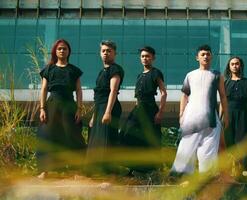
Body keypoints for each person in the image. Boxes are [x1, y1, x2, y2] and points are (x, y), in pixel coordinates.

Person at [171, 44, 228, 174]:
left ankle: (206, 177)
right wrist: (181, 114)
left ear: (211, 56)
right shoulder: (190, 75)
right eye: (203, 54)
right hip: (191, 117)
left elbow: (223, 97)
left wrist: (226, 116)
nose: (206, 56)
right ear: (197, 57)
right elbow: (184, 96)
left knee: (208, 150)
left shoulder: (217, 75)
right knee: (186, 147)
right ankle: (182, 176)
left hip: (211, 119)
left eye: (208, 54)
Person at [38, 39, 86, 178]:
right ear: (55, 51)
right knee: (47, 136)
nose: (62, 51)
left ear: (68, 51)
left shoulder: (74, 70)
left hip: (69, 106)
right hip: (52, 105)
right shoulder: (49, 69)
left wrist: (79, 109)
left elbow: (79, 91)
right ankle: (45, 170)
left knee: (73, 136)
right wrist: (42, 108)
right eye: (59, 48)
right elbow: (44, 89)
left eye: (65, 48)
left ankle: (76, 170)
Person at [120, 46, 167, 173]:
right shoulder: (139, 76)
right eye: (143, 56)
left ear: (153, 58)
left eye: (147, 56)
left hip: (150, 108)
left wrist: (160, 112)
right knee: (126, 133)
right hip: (138, 109)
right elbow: (137, 97)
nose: (145, 58)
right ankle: (132, 166)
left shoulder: (156, 73)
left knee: (151, 138)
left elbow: (163, 93)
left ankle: (152, 168)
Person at [86, 40, 125, 174]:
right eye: (103, 51)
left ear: (114, 53)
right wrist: (94, 115)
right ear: (100, 53)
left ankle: (109, 172)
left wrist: (108, 112)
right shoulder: (101, 71)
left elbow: (113, 91)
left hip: (110, 107)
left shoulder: (115, 69)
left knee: (107, 139)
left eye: (109, 51)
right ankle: (96, 170)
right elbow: (98, 96)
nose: (106, 53)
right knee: (96, 140)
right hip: (99, 108)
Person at [221, 56, 247, 174]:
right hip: (228, 114)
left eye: (237, 64)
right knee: (229, 141)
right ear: (229, 67)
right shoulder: (225, 83)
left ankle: (240, 170)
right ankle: (231, 168)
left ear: (240, 65)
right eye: (232, 64)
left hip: (243, 114)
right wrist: (220, 117)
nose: (235, 66)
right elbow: (222, 101)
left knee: (243, 141)